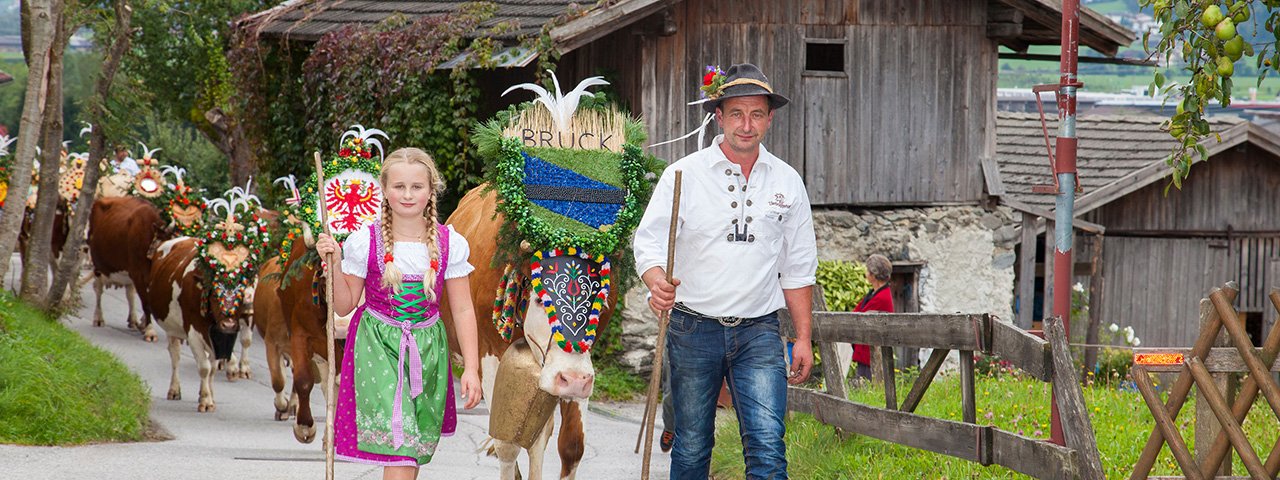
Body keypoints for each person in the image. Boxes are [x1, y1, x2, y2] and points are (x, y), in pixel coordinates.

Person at [634, 63, 817, 479]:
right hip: (693, 328)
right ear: (719, 117)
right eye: (737, 113)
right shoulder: (683, 174)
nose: (746, 125)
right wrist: (657, 281)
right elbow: (648, 243)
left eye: (756, 114)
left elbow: (798, 266)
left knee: (768, 445)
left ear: (770, 118)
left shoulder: (787, 182)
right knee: (693, 447)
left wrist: (803, 338)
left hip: (760, 333)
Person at [315, 147, 483, 480]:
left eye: (417, 187)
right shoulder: (366, 240)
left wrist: (472, 369)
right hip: (377, 346)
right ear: (385, 190)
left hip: (428, 350)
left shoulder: (450, 243)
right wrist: (332, 263)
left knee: (412, 447)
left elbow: (463, 309)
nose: (407, 194)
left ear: (431, 190)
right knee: (401, 449)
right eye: (399, 186)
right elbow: (345, 304)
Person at [851, 254, 895, 381]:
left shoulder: (882, 297)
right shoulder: (874, 293)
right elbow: (856, 313)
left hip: (871, 355)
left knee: (867, 386)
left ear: (873, 274)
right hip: (866, 352)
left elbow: (859, 318)